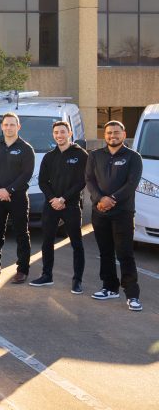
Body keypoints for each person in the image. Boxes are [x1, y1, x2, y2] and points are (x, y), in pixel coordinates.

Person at [86, 120, 143, 311]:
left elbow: (131, 184)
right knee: (105, 253)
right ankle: (110, 288)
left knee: (125, 253)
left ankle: (132, 295)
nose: (113, 136)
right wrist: (100, 199)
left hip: (123, 213)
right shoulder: (95, 156)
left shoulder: (133, 157)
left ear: (124, 134)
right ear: (105, 135)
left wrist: (111, 199)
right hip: (99, 212)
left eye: (116, 132)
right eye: (109, 133)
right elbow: (89, 180)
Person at [31, 121, 88, 293]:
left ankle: (77, 280)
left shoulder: (81, 155)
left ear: (70, 133)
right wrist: (53, 199)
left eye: (62, 132)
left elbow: (82, 181)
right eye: (56, 132)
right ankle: (46, 275)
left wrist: (63, 198)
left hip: (70, 205)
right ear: (53, 134)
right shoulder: (49, 156)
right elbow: (42, 181)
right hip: (51, 205)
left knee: (76, 243)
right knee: (47, 242)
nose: (59, 135)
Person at [0, 113, 35, 283]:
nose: (9, 127)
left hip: (17, 197)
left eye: (12, 125)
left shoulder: (26, 148)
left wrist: (9, 190)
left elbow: (26, 174)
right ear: (2, 127)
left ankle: (22, 270)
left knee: (21, 233)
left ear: (19, 127)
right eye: (6, 124)